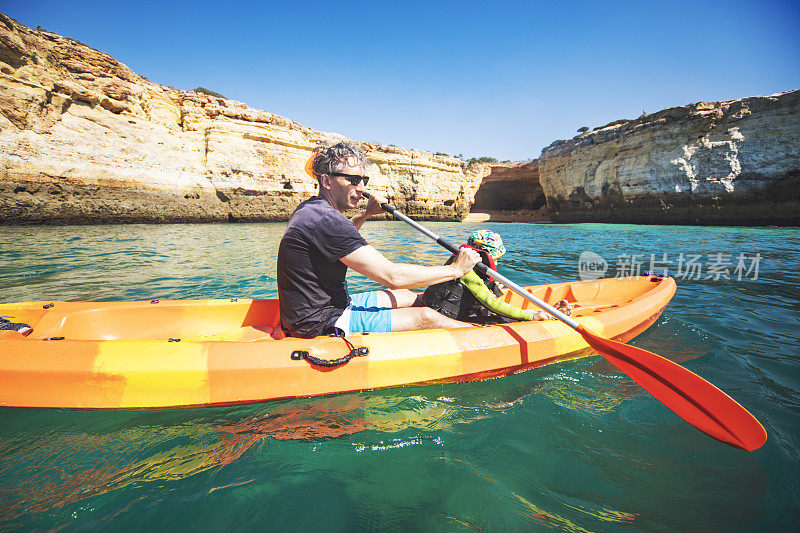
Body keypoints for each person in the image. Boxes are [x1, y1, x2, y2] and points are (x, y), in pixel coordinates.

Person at [277, 142, 482, 338]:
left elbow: (337, 241)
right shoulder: (327, 220)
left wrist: (366, 213)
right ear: (326, 181)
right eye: (354, 180)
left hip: (328, 305)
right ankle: (481, 333)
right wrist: (456, 269)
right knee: (426, 317)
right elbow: (393, 277)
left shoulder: (312, 209)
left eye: (363, 181)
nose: (361, 189)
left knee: (406, 296)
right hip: (319, 321)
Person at [422, 230, 574, 323]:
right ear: (485, 256)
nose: (497, 262)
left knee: (499, 314)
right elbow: (493, 305)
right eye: (496, 258)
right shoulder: (468, 271)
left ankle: (545, 314)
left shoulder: (461, 263)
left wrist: (491, 290)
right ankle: (542, 316)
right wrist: (531, 317)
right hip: (445, 319)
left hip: (452, 313)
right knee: (500, 318)